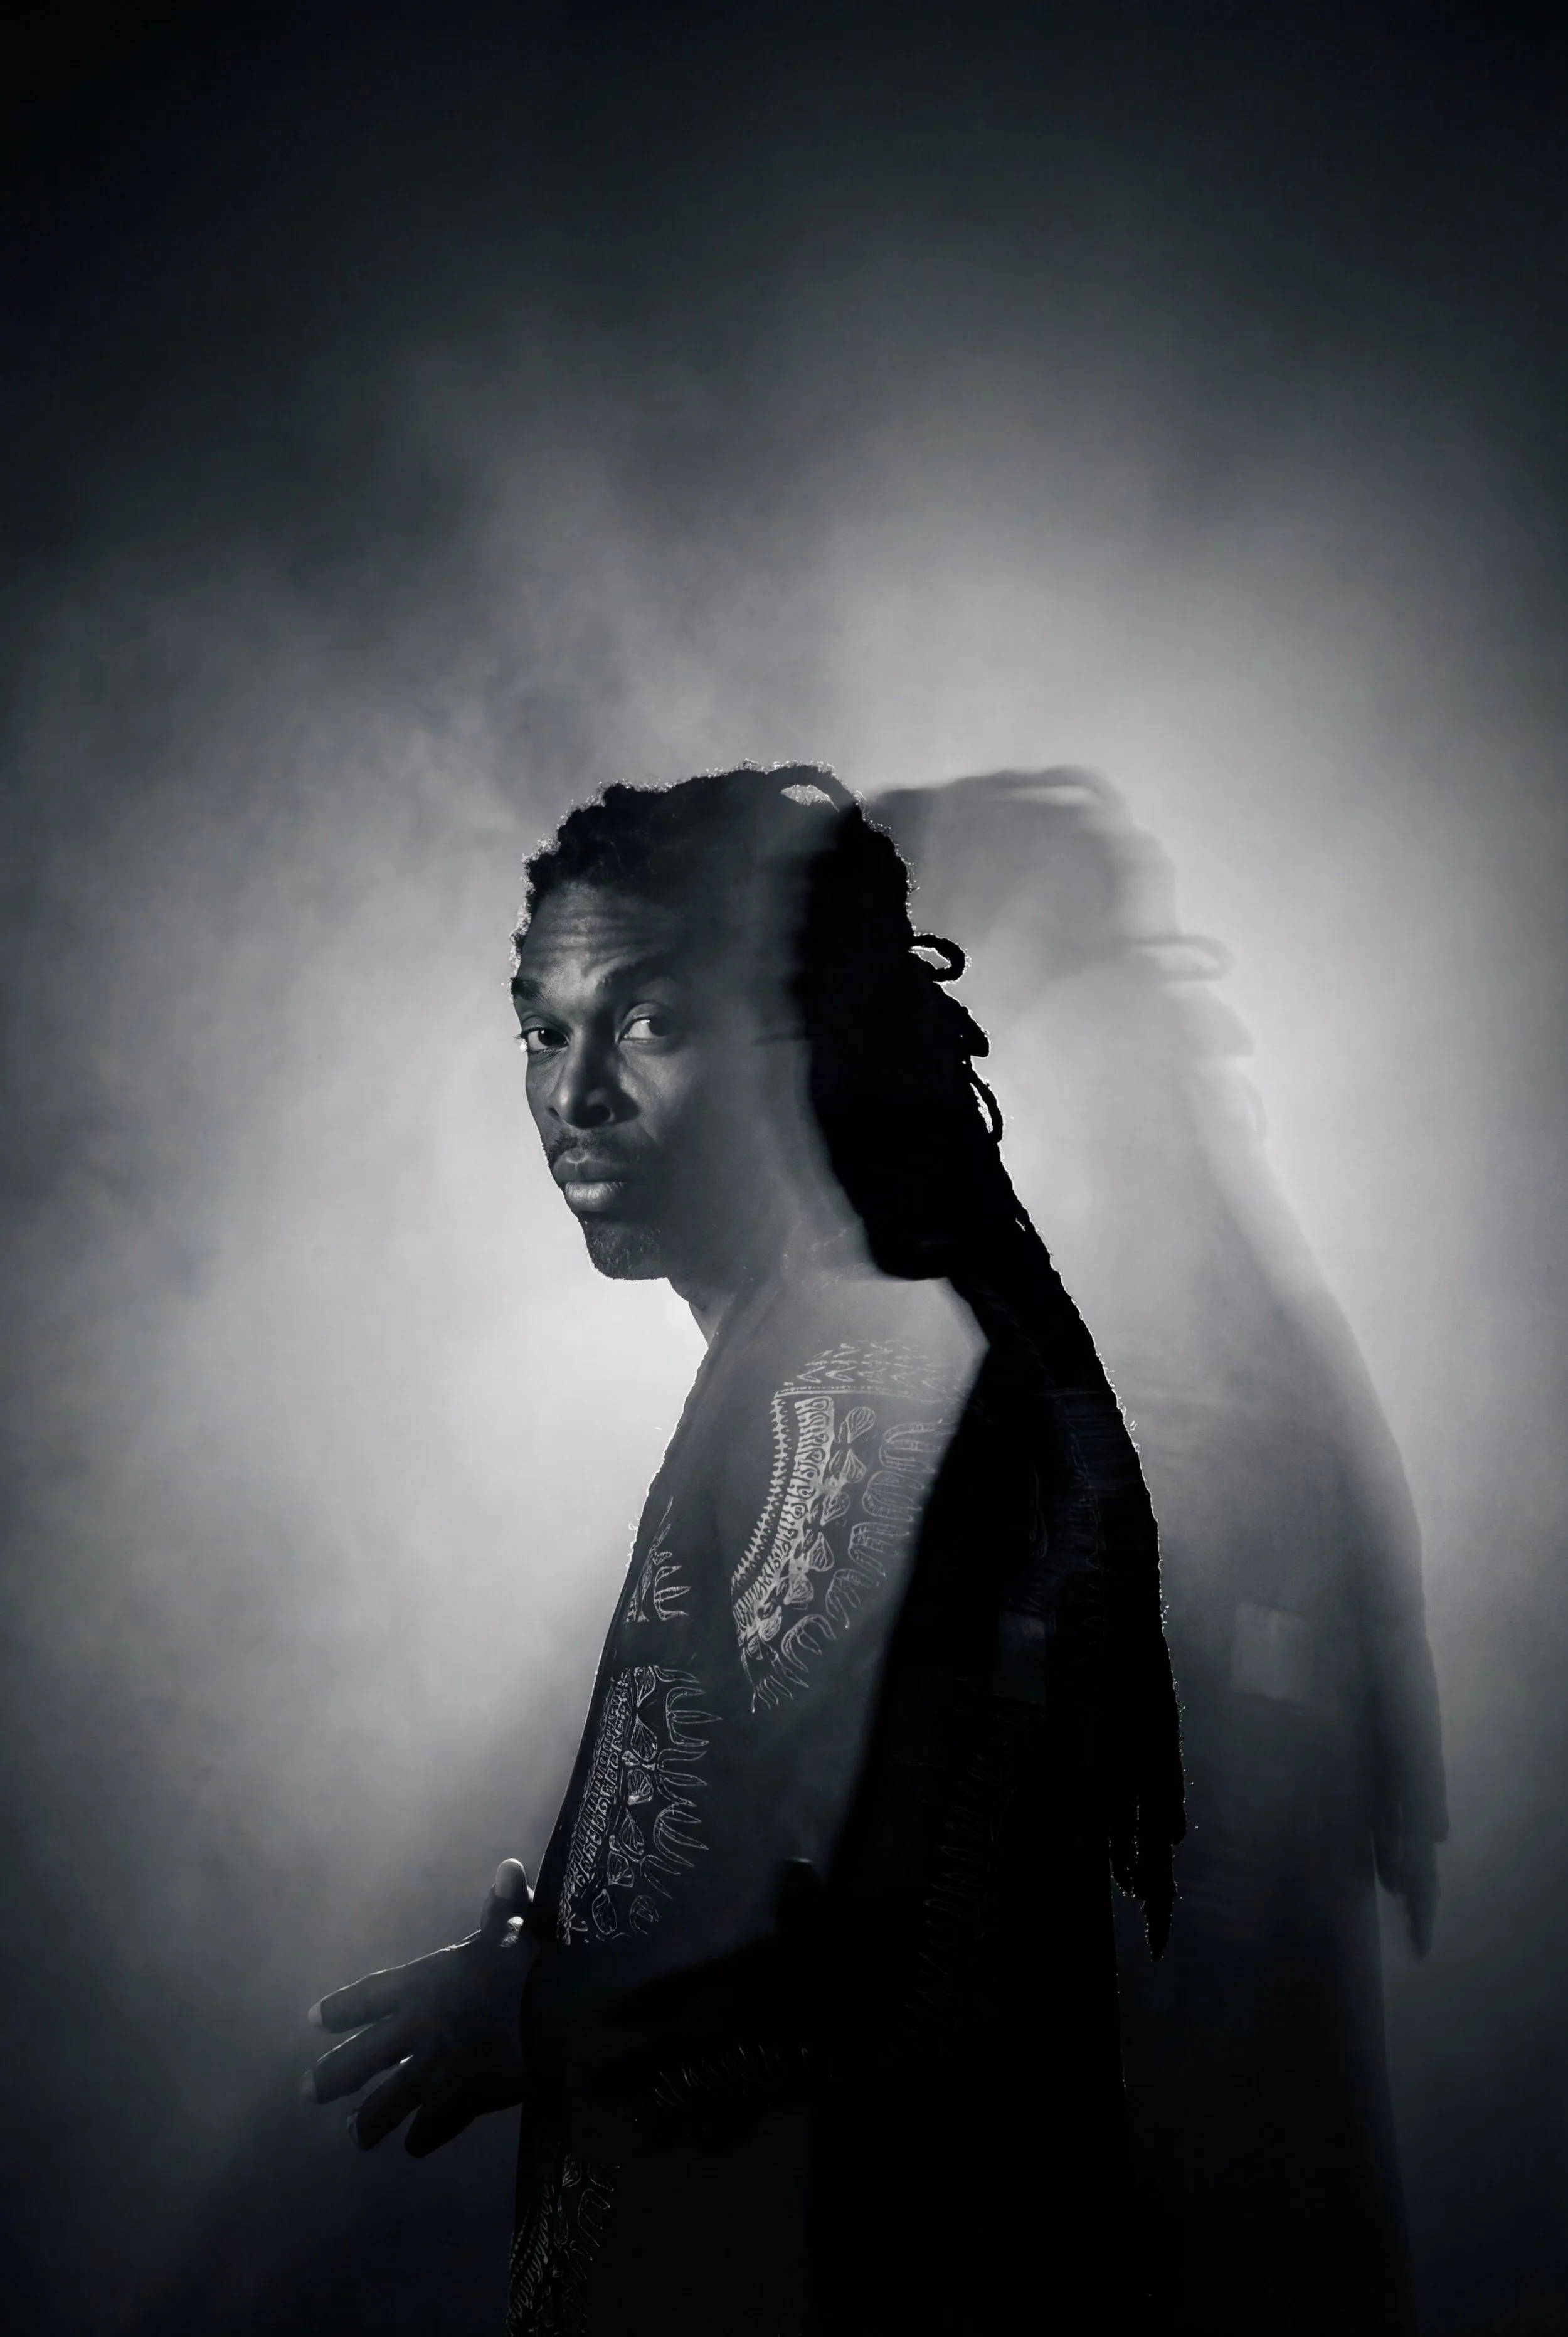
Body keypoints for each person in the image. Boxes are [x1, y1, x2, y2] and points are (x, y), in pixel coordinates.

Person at [302, 766, 1185, 2335]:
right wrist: (571, 1932)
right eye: (541, 1028)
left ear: (805, 1040)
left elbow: (885, 1924)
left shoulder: (849, 1365)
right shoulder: (809, 1345)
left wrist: (547, 2005)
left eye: (649, 1024)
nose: (573, 1097)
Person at [872, 769, 1448, 2337]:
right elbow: (1312, 1407)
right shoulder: (1084, 1107)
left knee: (1212, 2177)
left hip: (1198, 1749)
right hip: (1197, 1737)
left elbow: (1276, 1416)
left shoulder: (1085, 1105)